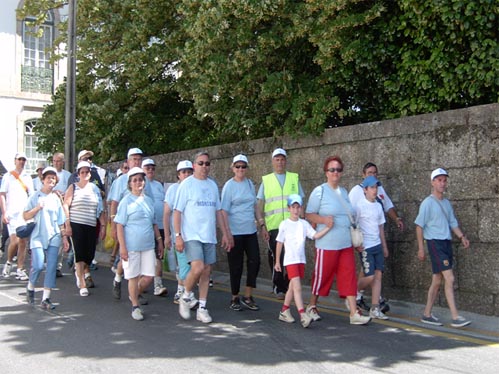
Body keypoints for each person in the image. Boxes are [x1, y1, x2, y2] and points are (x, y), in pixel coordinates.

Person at [305, 155, 371, 325]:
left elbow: (350, 217)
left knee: (349, 277)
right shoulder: (319, 191)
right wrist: (323, 221)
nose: (335, 172)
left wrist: (356, 241)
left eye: (338, 170)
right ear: (326, 172)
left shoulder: (343, 192)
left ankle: (353, 312)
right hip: (327, 244)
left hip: (345, 243)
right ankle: (312, 305)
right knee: (322, 276)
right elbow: (309, 214)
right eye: (332, 169)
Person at [174, 151, 232, 323]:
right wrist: (178, 236)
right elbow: (177, 212)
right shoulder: (187, 185)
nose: (204, 166)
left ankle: (202, 307)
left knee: (206, 272)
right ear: (194, 165)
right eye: (201, 163)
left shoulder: (212, 186)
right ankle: (186, 296)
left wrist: (225, 234)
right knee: (197, 268)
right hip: (191, 235)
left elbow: (218, 211)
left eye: (207, 163)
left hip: (209, 235)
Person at [415, 168, 471, 328]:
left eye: (444, 180)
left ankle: (426, 314)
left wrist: (462, 237)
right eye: (439, 180)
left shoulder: (446, 203)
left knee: (437, 280)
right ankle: (455, 316)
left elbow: (453, 222)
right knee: (450, 278)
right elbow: (419, 226)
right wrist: (421, 248)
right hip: (435, 243)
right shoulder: (427, 203)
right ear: (432, 182)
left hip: (446, 243)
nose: (442, 183)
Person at [349, 162, 404, 312]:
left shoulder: (379, 193)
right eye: (369, 172)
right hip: (364, 241)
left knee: (373, 272)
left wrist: (396, 219)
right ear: (363, 175)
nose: (372, 175)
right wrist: (355, 240)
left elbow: (388, 205)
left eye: (375, 172)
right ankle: (353, 294)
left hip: (377, 240)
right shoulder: (356, 192)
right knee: (369, 273)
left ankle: (369, 301)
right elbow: (351, 216)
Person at [275, 194, 332, 328]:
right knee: (298, 287)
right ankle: (302, 315)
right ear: (288, 208)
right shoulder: (284, 224)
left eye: (298, 207)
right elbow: (279, 243)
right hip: (290, 260)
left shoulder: (304, 224)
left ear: (301, 208)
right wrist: (277, 261)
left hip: (301, 259)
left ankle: (284, 310)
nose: (295, 210)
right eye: (293, 207)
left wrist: (328, 227)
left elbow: (314, 235)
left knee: (292, 287)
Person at [114, 167, 164, 321]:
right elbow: (119, 225)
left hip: (148, 245)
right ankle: (135, 306)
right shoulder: (126, 201)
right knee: (133, 277)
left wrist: (159, 241)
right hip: (132, 246)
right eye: (135, 180)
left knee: (149, 276)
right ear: (130, 184)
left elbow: (154, 223)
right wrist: (123, 247)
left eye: (140, 179)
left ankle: (133, 294)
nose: (138, 182)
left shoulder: (149, 201)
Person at [257, 148, 304, 299]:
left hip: (292, 225)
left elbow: (301, 202)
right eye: (277, 159)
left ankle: (286, 284)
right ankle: (278, 286)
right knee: (276, 256)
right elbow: (259, 205)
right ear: (272, 161)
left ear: (286, 161)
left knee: (293, 256)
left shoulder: (293, 178)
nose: (280, 162)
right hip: (274, 226)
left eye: (282, 159)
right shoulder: (267, 180)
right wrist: (262, 225)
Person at [221, 154, 262, 311]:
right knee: (236, 266)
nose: (240, 169)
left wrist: (261, 224)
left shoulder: (250, 184)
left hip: (250, 231)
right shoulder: (229, 186)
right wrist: (227, 233)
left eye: (243, 167)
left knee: (255, 261)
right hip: (235, 232)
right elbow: (223, 211)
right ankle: (234, 297)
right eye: (237, 166)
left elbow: (255, 207)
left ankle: (248, 295)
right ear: (233, 168)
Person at [24, 167, 69, 309]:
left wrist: (65, 238)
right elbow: (25, 216)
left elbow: (61, 221)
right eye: (48, 177)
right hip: (37, 235)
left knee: (51, 267)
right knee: (38, 265)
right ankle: (31, 286)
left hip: (54, 236)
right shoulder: (35, 197)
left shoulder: (56, 198)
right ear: (42, 180)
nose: (51, 180)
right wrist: (37, 208)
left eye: (53, 178)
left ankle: (46, 299)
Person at [63, 161, 106, 296]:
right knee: (80, 254)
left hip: (91, 224)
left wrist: (103, 226)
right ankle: (82, 283)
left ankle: (79, 271)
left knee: (89, 255)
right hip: (76, 224)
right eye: (82, 172)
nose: (85, 174)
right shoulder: (73, 187)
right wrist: (68, 224)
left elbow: (100, 208)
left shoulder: (94, 188)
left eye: (87, 172)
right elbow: (65, 205)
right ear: (78, 174)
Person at [108, 148, 144, 300]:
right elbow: (114, 203)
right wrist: (114, 224)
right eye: (133, 159)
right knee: (128, 257)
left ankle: (136, 290)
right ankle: (118, 278)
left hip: (140, 225)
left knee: (139, 258)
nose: (136, 162)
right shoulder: (121, 181)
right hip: (125, 224)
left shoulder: (143, 180)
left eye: (138, 159)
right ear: (128, 162)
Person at [354, 176, 389, 320]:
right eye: (372, 187)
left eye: (376, 187)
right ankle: (351, 292)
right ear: (365, 190)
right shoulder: (359, 206)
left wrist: (384, 246)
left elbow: (381, 228)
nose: (375, 190)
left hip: (377, 245)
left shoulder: (378, 206)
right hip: (366, 247)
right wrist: (356, 244)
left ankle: (374, 308)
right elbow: (353, 226)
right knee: (370, 277)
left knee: (378, 277)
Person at [163, 160, 193, 304]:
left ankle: (185, 292)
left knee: (192, 266)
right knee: (182, 266)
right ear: (178, 175)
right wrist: (167, 236)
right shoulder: (173, 190)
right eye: (183, 172)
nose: (186, 174)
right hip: (178, 235)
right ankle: (181, 291)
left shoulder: (196, 187)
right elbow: (166, 213)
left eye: (189, 171)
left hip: (193, 235)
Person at [1, 152, 34, 280]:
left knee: (23, 242)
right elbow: (2, 195)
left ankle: (20, 268)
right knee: (14, 241)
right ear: (15, 161)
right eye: (19, 159)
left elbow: (31, 195)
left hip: (24, 214)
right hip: (12, 214)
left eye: (23, 160)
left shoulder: (27, 177)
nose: (21, 162)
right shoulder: (8, 176)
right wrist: (4, 213)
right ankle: (9, 262)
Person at [142, 158, 168, 296]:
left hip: (161, 224)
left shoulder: (159, 185)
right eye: (147, 168)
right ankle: (143, 281)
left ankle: (158, 284)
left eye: (152, 168)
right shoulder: (141, 184)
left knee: (159, 255)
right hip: (147, 226)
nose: (150, 170)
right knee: (146, 254)